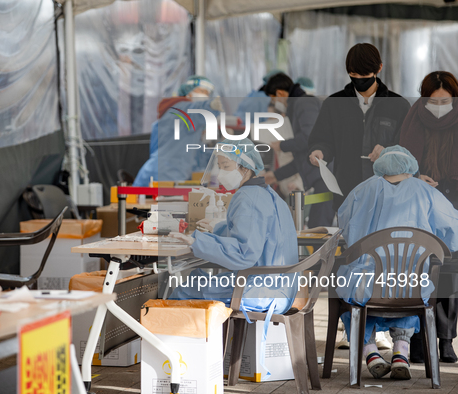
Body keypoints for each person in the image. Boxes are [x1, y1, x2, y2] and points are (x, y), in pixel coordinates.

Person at [336, 146, 458, 380]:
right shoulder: (425, 191)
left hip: (368, 285)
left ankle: (370, 352)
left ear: (381, 165)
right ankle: (401, 352)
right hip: (411, 285)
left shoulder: (364, 189)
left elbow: (346, 224)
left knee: (348, 295)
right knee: (410, 290)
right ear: (410, 167)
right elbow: (452, 227)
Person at [167, 138, 298, 318]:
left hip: (259, 290)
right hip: (281, 287)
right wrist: (219, 227)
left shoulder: (247, 198)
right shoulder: (268, 193)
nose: (220, 173)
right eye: (219, 166)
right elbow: (256, 234)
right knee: (198, 279)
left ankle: (173, 346)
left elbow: (243, 254)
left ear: (245, 168)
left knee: (184, 291)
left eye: (226, 166)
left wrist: (197, 241)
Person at [308, 43, 411, 211]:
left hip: (388, 195)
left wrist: (388, 151)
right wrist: (319, 151)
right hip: (347, 193)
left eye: (365, 74)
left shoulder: (399, 106)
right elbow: (322, 139)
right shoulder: (334, 105)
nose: (360, 80)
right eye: (354, 74)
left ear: (379, 68)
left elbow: (408, 148)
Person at [399, 71, 458, 363]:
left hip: (454, 204)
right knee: (419, 268)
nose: (438, 107)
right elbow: (403, 162)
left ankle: (446, 340)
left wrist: (446, 186)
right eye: (432, 102)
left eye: (445, 101)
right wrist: (416, 176)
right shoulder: (413, 119)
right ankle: (420, 340)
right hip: (419, 203)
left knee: (448, 271)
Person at [262, 73, 335, 227]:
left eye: (273, 98)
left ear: (281, 93)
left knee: (320, 230)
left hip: (327, 176)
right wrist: (275, 175)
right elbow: (303, 158)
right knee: (316, 226)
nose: (274, 103)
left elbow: (308, 139)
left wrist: (282, 146)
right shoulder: (300, 105)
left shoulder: (304, 103)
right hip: (321, 175)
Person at [133, 76, 221, 186]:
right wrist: (211, 106)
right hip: (165, 175)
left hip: (159, 173)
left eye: (208, 93)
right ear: (188, 91)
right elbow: (198, 111)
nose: (206, 95)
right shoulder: (180, 109)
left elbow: (197, 159)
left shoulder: (186, 123)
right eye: (202, 91)